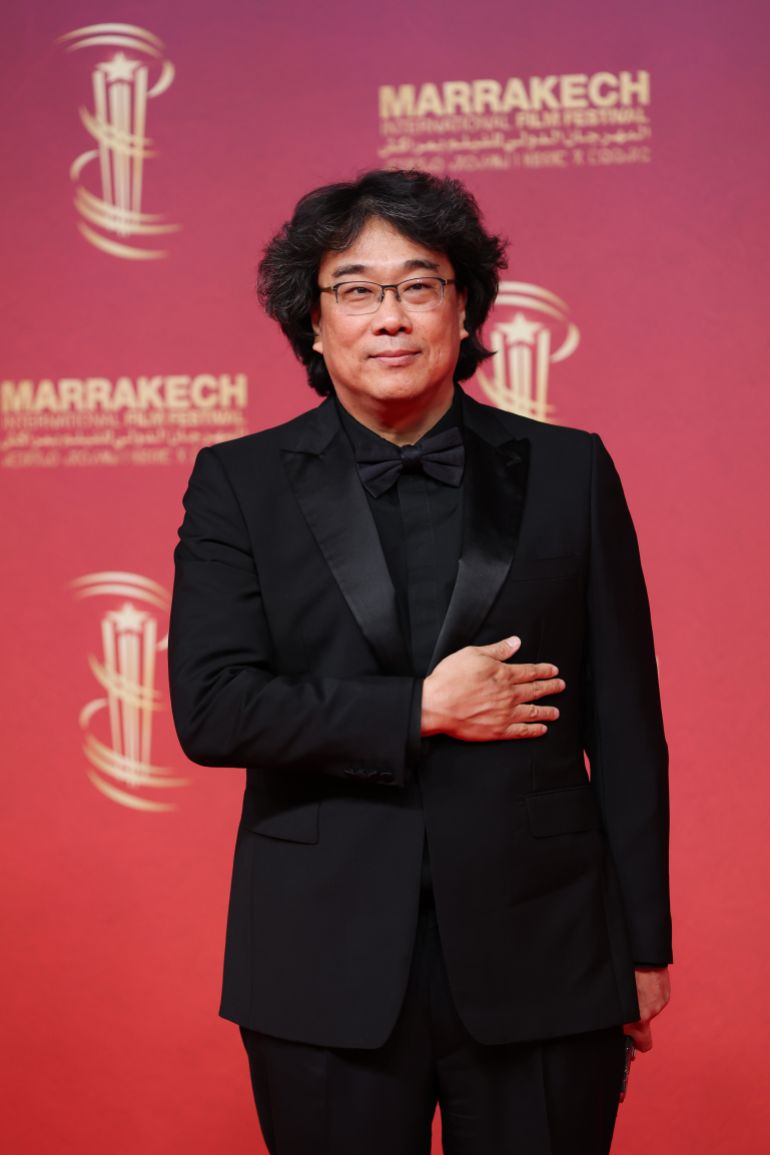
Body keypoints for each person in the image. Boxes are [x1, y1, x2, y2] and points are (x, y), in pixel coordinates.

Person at [168, 169, 671, 1155]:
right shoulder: (239, 483)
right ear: (311, 326)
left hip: (545, 952)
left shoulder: (570, 470)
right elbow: (213, 707)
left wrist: (642, 944)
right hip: (319, 958)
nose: (387, 316)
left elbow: (624, 724)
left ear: (463, 308)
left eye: (417, 285)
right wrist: (417, 711)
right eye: (354, 289)